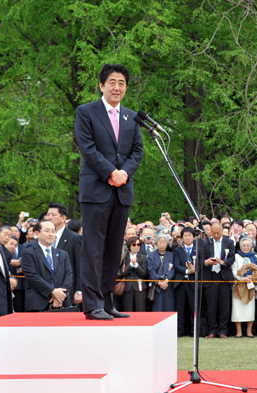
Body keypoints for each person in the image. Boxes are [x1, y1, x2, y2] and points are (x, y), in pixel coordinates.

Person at [75, 63, 144, 320]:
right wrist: (110, 172)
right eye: (112, 82)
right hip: (96, 190)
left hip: (122, 190)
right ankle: (91, 304)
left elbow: (137, 150)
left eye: (122, 83)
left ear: (126, 88)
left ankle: (105, 302)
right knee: (93, 249)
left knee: (114, 249)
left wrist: (124, 172)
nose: (117, 87)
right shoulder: (86, 112)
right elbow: (87, 147)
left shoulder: (131, 117)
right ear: (102, 85)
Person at [21, 221, 73, 311]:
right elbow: (32, 276)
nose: (51, 234)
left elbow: (69, 275)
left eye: (53, 231)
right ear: (37, 234)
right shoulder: (28, 253)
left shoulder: (62, 254)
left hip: (62, 301)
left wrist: (59, 295)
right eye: (47, 231)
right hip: (38, 301)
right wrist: (53, 292)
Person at [203, 222, 236, 338]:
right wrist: (206, 262)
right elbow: (201, 258)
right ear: (210, 232)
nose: (216, 235)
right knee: (211, 306)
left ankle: (223, 330)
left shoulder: (229, 242)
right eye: (214, 233)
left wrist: (223, 262)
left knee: (224, 305)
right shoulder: (206, 243)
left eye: (218, 232)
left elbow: (232, 258)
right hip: (211, 276)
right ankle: (212, 330)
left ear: (222, 231)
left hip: (224, 277)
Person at [46, 203, 83, 307]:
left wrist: (79, 290)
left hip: (67, 288)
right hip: (47, 289)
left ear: (63, 218)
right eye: (48, 215)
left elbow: (80, 266)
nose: (49, 217)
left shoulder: (74, 238)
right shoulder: (43, 238)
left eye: (53, 215)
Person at [231, 236, 257, 338]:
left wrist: (253, 277)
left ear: (251, 246)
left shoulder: (255, 257)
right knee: (237, 309)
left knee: (250, 309)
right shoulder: (235, 256)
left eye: (248, 245)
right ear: (240, 246)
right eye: (244, 245)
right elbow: (234, 271)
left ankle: (249, 331)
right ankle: (239, 332)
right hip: (238, 285)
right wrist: (242, 279)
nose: (246, 247)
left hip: (251, 285)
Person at [172, 227, 198, 337]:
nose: (187, 237)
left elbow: (201, 264)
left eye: (189, 235)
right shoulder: (178, 250)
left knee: (193, 308)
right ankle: (180, 330)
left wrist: (195, 270)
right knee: (180, 308)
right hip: (181, 282)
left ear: (194, 237)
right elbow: (176, 265)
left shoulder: (198, 249)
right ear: (182, 238)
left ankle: (194, 331)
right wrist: (188, 271)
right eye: (185, 236)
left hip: (193, 283)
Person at [148, 234, 175, 312]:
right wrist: (159, 282)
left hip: (168, 286)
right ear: (156, 243)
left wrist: (166, 280)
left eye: (164, 242)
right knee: (157, 310)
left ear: (167, 243)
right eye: (160, 242)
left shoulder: (171, 255)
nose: (162, 244)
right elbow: (151, 270)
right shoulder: (151, 255)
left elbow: (173, 269)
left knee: (169, 309)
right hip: (157, 287)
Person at [121, 236, 149, 312]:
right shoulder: (124, 257)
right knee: (128, 310)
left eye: (138, 244)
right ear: (129, 246)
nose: (136, 246)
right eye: (134, 245)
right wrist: (131, 264)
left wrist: (136, 265)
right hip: (127, 287)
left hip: (140, 287)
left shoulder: (143, 257)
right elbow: (123, 273)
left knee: (141, 309)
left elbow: (144, 273)